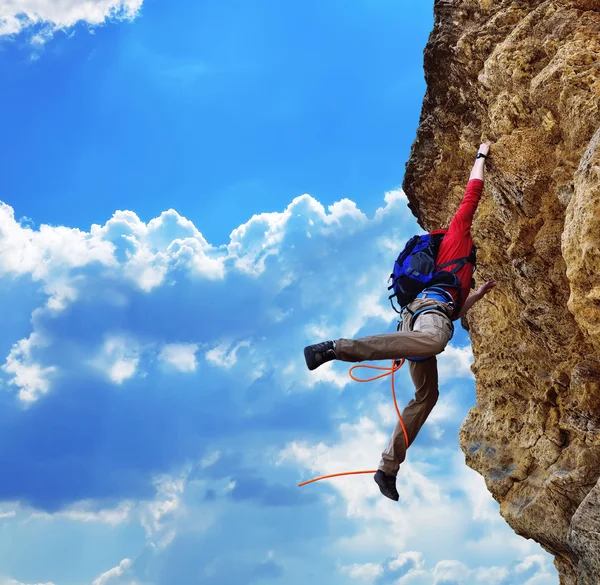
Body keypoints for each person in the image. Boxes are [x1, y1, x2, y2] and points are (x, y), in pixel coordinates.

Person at [303, 141, 497, 501]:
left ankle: (386, 469)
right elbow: (473, 195)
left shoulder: (456, 273)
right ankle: (334, 348)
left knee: (428, 395)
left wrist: (476, 296)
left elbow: (451, 309)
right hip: (426, 321)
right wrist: (481, 156)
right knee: (437, 341)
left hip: (417, 321)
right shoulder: (457, 237)